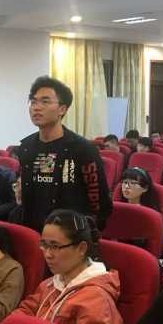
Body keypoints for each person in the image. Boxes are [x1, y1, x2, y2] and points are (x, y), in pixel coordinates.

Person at [16, 76, 112, 231]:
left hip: (69, 234)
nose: (36, 107)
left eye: (45, 102)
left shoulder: (82, 149)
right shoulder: (26, 147)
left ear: (62, 109)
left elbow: (99, 202)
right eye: (33, 102)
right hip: (33, 230)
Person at [13, 210, 122, 324]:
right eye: (44, 245)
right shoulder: (51, 283)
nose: (47, 254)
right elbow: (25, 311)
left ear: (81, 248)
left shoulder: (97, 301)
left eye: (55, 246)